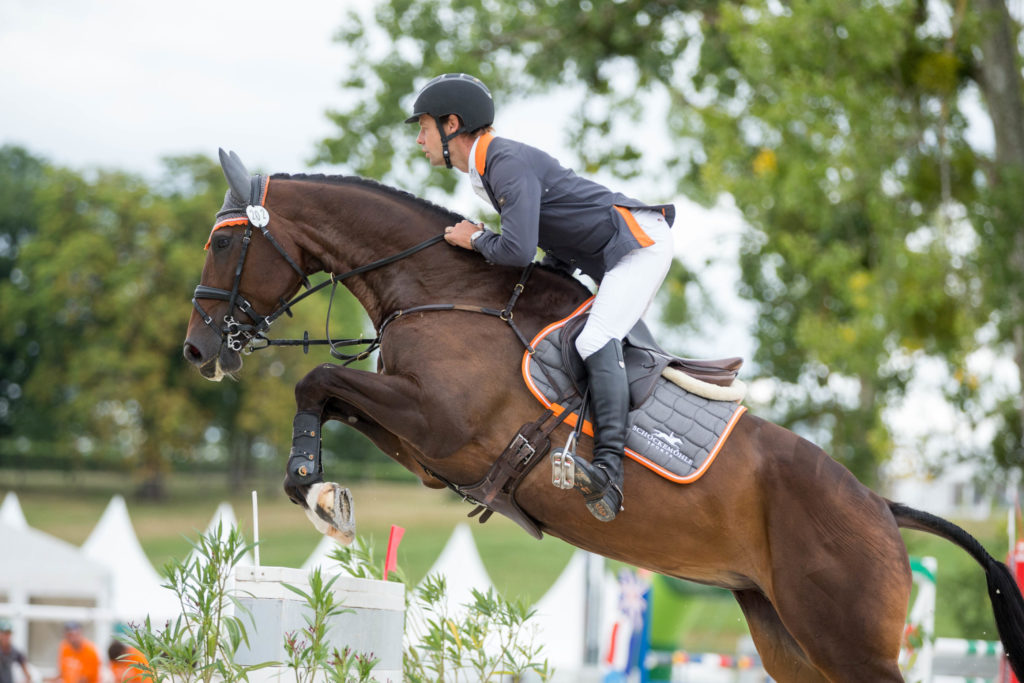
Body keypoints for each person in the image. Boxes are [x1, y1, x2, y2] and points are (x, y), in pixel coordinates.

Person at [406, 73, 676, 522]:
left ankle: (609, 472)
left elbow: (515, 250)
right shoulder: (490, 167)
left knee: (593, 341)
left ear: (451, 124)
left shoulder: (503, 162)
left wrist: (474, 239)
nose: (419, 140)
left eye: (424, 127)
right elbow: (553, 231)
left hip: (638, 247)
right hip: (600, 252)